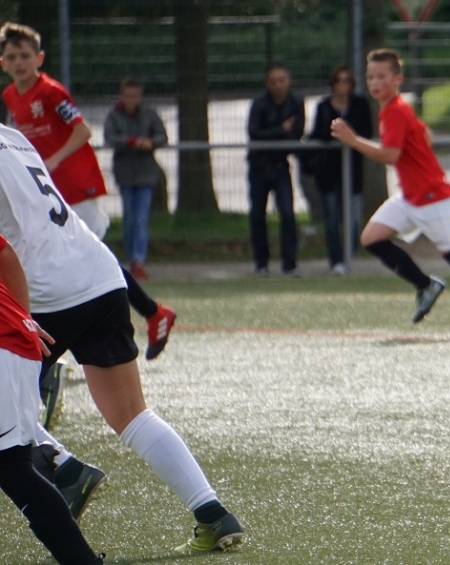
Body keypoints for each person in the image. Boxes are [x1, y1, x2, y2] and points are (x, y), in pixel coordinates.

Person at [0, 122, 245, 553]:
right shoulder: (11, 135)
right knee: (132, 414)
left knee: (8, 407)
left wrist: (21, 318)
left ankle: (64, 468)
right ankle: (212, 512)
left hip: (44, 288)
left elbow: (5, 250)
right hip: (99, 272)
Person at [0, 22, 176, 433]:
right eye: (11, 57)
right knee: (84, 267)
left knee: (88, 265)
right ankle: (149, 313)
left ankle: (151, 312)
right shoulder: (11, 96)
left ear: (39, 59)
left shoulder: (51, 92)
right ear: (3, 63)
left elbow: (82, 130)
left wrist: (54, 160)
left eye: (25, 55)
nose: (19, 62)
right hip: (41, 196)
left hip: (74, 187)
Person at [331, 48, 450, 338]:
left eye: (382, 76)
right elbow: (425, 135)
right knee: (371, 238)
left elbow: (390, 155)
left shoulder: (395, 110)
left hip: (432, 197)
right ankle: (425, 285)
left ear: (398, 79)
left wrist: (353, 140)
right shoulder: (395, 109)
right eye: (370, 77)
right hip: (410, 195)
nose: (375, 82)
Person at [0, 238, 105, 565]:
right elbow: (4, 251)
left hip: (6, 346)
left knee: (13, 468)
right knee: (13, 467)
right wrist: (22, 318)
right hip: (16, 341)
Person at [309, 66, 373, 275]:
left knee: (354, 221)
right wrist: (338, 134)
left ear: (351, 84)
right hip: (329, 172)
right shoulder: (323, 107)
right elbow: (318, 133)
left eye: (346, 81)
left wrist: (349, 136)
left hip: (352, 171)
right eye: (338, 81)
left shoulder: (360, 105)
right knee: (331, 219)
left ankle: (346, 257)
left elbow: (366, 131)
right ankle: (336, 261)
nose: (342, 85)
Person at [103, 77, 168, 281]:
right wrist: (132, 142)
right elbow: (110, 138)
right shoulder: (114, 115)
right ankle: (131, 257)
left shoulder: (149, 114)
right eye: (127, 96)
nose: (131, 100)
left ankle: (138, 261)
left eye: (135, 96)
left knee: (141, 219)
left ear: (140, 97)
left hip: (146, 173)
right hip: (125, 174)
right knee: (129, 219)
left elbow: (162, 136)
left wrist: (151, 142)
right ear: (121, 96)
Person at [247, 62, 304, 277]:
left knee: (288, 214)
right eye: (273, 81)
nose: (278, 85)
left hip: (280, 166)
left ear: (288, 82)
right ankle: (261, 263)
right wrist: (280, 129)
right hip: (258, 166)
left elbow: (296, 133)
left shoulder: (296, 103)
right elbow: (254, 133)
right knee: (257, 216)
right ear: (267, 84)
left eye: (281, 80)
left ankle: (289, 264)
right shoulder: (259, 104)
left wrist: (274, 136)